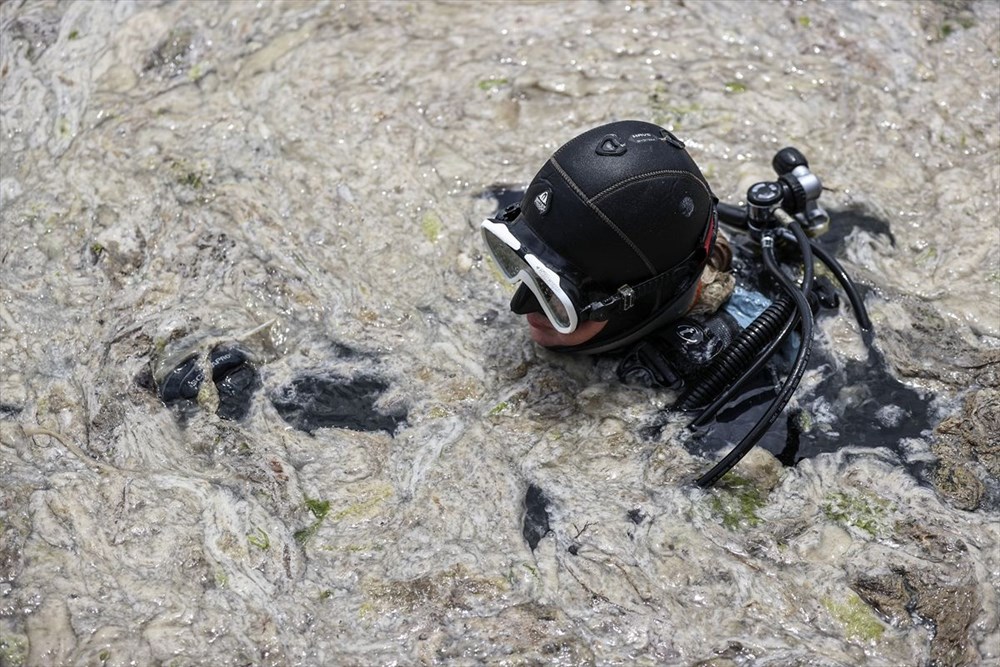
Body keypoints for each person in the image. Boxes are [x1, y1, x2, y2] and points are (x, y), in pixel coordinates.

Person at [481, 119, 873, 486]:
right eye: (515, 261)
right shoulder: (555, 213)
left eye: (558, 299)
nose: (521, 306)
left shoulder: (736, 403)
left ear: (637, 304)